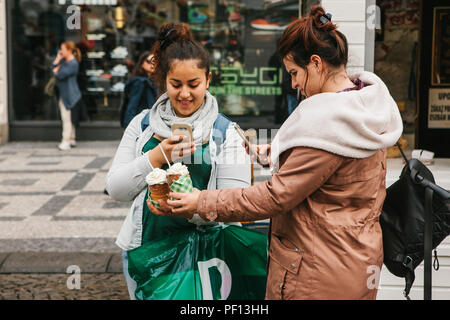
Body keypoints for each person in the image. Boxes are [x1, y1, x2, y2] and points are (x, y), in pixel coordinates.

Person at [150, 5, 404, 300]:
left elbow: (274, 197)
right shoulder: (362, 108)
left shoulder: (331, 121)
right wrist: (280, 151)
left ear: (316, 64)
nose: (294, 84)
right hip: (355, 261)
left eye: (295, 73)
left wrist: (199, 201)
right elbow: (335, 170)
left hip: (318, 273)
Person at [105, 22, 252, 300]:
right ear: (164, 81)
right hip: (145, 250)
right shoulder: (142, 125)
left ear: (208, 79)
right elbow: (115, 189)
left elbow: (237, 208)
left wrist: (191, 209)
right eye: (176, 84)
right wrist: (157, 156)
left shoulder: (226, 133)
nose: (184, 94)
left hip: (204, 255)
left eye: (193, 84)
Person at [52, 41, 86, 151]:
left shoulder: (72, 63)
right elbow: (53, 69)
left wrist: (56, 69)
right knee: (69, 118)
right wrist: (57, 61)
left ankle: (66, 141)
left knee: (67, 119)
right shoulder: (65, 62)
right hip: (67, 95)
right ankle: (71, 138)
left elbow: (59, 74)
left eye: (62, 49)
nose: (61, 51)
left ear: (69, 50)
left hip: (70, 96)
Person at [120, 51, 158, 129]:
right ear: (142, 63)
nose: (152, 64)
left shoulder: (153, 81)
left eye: (155, 61)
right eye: (148, 61)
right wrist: (128, 126)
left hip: (150, 123)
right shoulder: (139, 82)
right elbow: (132, 105)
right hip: (141, 124)